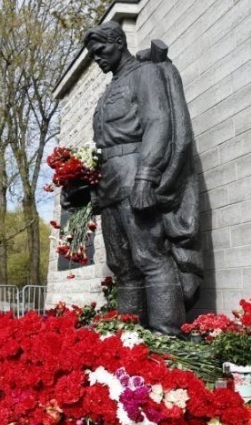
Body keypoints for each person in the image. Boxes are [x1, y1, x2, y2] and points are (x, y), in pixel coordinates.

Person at [79, 21, 203, 335]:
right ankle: (130, 338)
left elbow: (159, 124)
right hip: (110, 184)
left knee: (150, 257)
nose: (98, 58)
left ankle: (166, 337)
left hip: (135, 177)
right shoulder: (109, 90)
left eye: (101, 50)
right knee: (123, 266)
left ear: (119, 42)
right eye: (93, 54)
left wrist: (146, 178)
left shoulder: (145, 75)